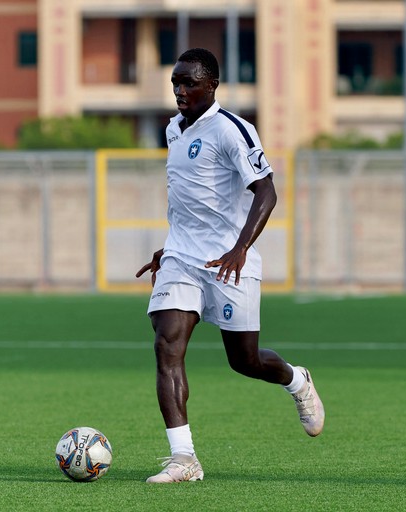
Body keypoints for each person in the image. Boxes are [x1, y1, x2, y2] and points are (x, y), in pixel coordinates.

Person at [135, 48, 325, 484]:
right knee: (168, 344)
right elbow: (188, 200)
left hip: (228, 261)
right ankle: (185, 459)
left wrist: (241, 247)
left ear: (211, 85)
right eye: (175, 83)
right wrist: (169, 248)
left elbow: (266, 191)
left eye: (188, 83)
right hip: (182, 258)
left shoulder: (232, 130)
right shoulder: (173, 130)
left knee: (246, 361)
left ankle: (296, 380)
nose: (180, 90)